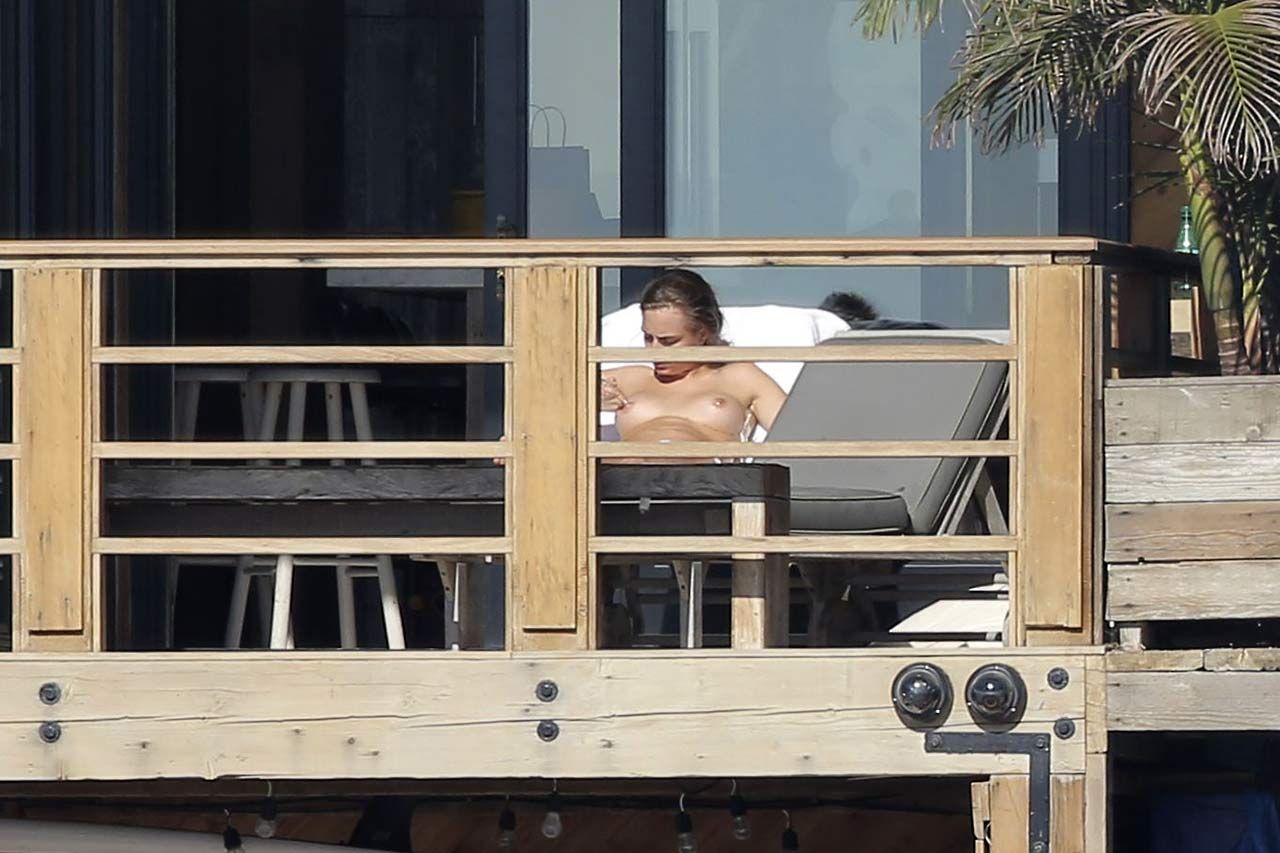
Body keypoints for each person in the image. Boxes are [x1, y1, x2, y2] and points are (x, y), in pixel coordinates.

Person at [601, 270, 787, 443]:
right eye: (648, 338)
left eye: (669, 341)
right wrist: (593, 399)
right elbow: (581, 384)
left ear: (702, 334)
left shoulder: (740, 377)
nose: (654, 350)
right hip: (627, 466)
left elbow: (795, 432)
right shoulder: (633, 378)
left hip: (703, 467)